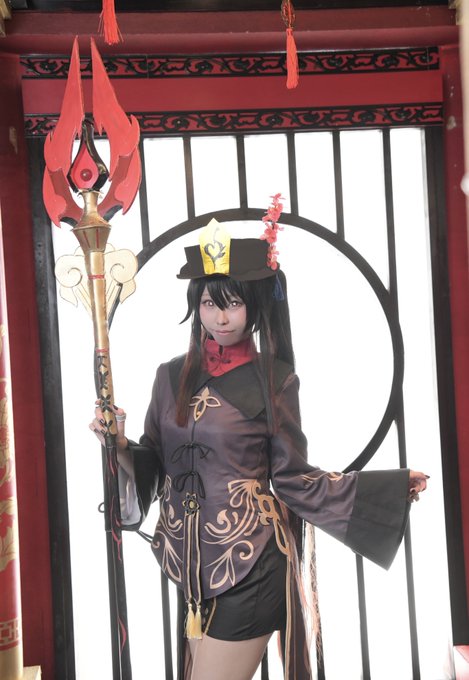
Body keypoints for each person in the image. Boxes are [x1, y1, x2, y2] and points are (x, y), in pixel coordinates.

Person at [90, 208, 428, 680]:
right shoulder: (169, 376)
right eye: (209, 303)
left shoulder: (275, 380)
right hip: (191, 569)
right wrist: (119, 443)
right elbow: (155, 459)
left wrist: (387, 490)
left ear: (254, 305)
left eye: (232, 304)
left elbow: (293, 479)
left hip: (251, 560)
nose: (220, 317)